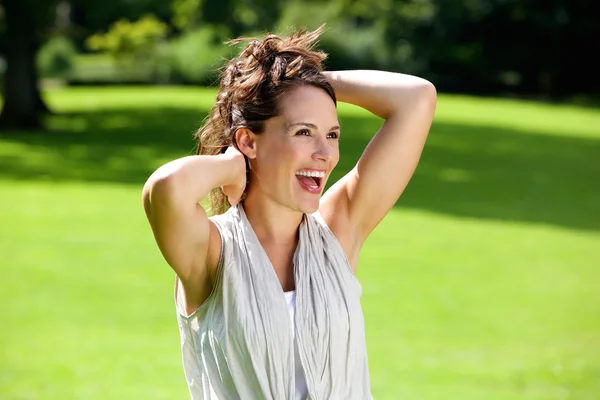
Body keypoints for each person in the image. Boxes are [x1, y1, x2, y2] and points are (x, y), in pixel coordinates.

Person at [142, 25, 436, 400]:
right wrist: (232, 167)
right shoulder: (211, 252)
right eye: (303, 132)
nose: (325, 154)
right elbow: (166, 189)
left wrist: (300, 79)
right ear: (248, 140)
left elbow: (417, 98)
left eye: (332, 135)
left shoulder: (339, 232)